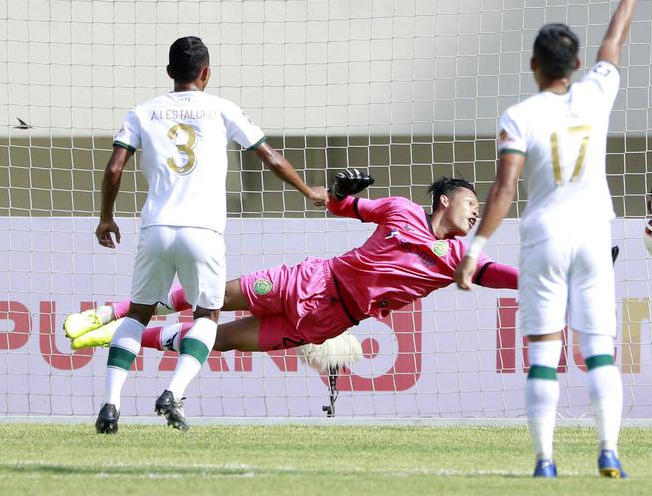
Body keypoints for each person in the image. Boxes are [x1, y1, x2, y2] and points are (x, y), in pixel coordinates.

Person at [65, 171, 518, 432]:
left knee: (219, 341)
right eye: (471, 202)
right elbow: (339, 207)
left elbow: (495, 275)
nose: (476, 211)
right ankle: (112, 311)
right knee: (214, 294)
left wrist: (537, 278)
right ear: (444, 200)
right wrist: (343, 192)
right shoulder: (400, 209)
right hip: (310, 280)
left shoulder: (458, 257)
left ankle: (114, 338)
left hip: (329, 321)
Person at [454, 0, 652, 479]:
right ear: (576, 65)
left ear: (533, 66)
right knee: (599, 350)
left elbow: (503, 188)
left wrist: (474, 250)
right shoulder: (596, 94)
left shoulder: (519, 115)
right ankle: (609, 449)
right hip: (593, 232)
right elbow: (614, 43)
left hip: (543, 237)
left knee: (544, 351)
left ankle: (545, 460)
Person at [95, 36, 326, 433]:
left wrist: (106, 218)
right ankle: (173, 391)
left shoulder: (143, 112)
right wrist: (309, 191)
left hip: (155, 227)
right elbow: (269, 156)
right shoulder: (222, 109)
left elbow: (115, 168)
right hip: (202, 230)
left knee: (138, 313)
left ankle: (110, 405)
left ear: (169, 72)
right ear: (206, 73)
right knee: (207, 315)